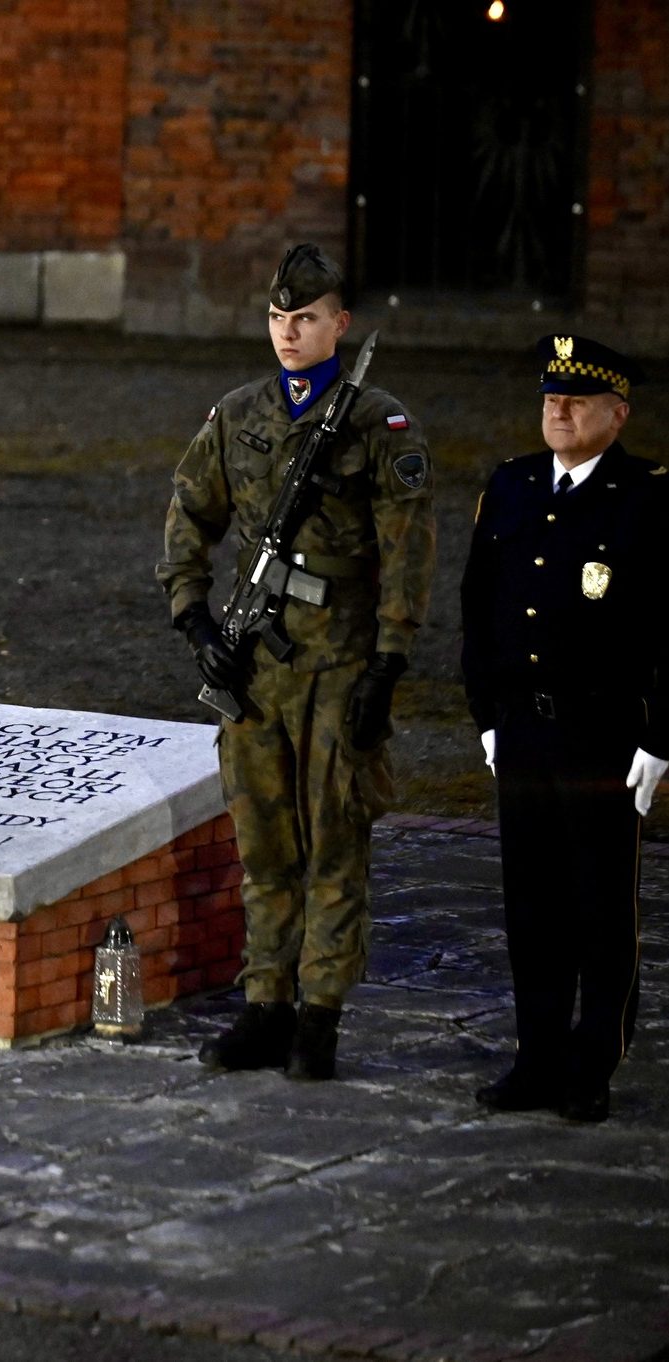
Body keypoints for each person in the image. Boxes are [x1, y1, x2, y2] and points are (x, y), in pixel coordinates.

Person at [157, 243, 436, 1080]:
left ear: (337, 325)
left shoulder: (379, 424)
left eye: (305, 319)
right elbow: (189, 513)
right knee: (263, 848)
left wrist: (388, 662)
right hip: (254, 667)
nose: (288, 332)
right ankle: (265, 1006)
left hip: (339, 662)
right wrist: (193, 619)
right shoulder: (238, 413)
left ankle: (319, 1017)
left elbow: (407, 551)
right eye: (278, 318)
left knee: (334, 844)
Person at [462, 336, 665, 1124]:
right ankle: (536, 1057)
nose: (557, 410)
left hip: (601, 732)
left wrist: (661, 738)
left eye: (576, 401)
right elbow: (478, 606)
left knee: (599, 907)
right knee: (531, 904)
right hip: (521, 728)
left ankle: (592, 1063)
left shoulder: (645, 498)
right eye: (550, 397)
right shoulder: (511, 484)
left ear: (617, 415)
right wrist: (486, 713)